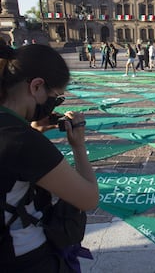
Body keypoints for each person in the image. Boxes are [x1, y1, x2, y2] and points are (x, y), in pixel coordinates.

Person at [0, 44, 98, 271]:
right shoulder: (21, 141)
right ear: (36, 86)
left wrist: (34, 130)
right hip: (25, 259)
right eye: (55, 97)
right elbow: (88, 198)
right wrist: (79, 145)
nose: (53, 104)